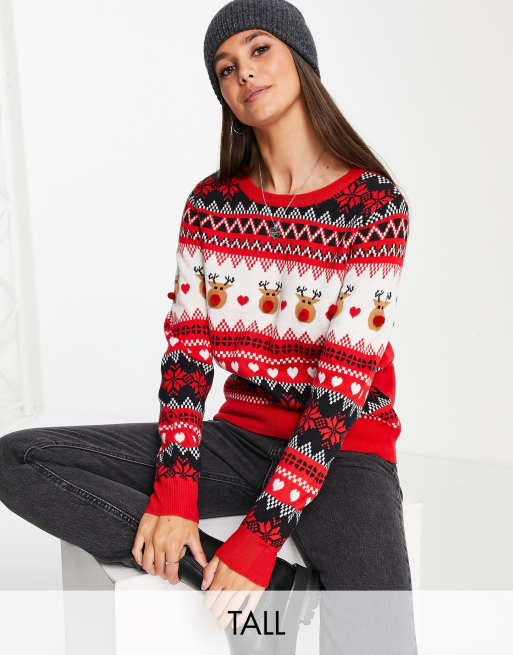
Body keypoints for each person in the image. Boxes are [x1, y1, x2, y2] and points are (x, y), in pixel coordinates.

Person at [0, 0, 418, 652]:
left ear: (300, 59)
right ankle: (264, 588)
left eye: (259, 49)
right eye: (225, 68)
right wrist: (176, 494)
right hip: (239, 440)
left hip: (344, 449)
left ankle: (256, 574)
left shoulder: (373, 205)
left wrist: (261, 534)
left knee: (380, 644)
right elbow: (188, 357)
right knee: (19, 458)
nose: (243, 73)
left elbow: (341, 389)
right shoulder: (210, 205)